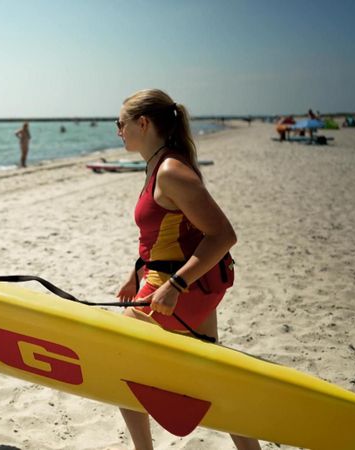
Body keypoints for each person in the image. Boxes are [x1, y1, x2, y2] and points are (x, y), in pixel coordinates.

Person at [113, 89, 261, 450]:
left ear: (143, 123)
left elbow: (223, 235)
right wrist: (137, 270)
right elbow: (169, 233)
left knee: (115, 363)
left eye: (121, 123)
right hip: (179, 289)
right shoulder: (160, 165)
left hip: (174, 292)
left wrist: (175, 285)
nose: (117, 131)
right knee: (211, 386)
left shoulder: (171, 171)